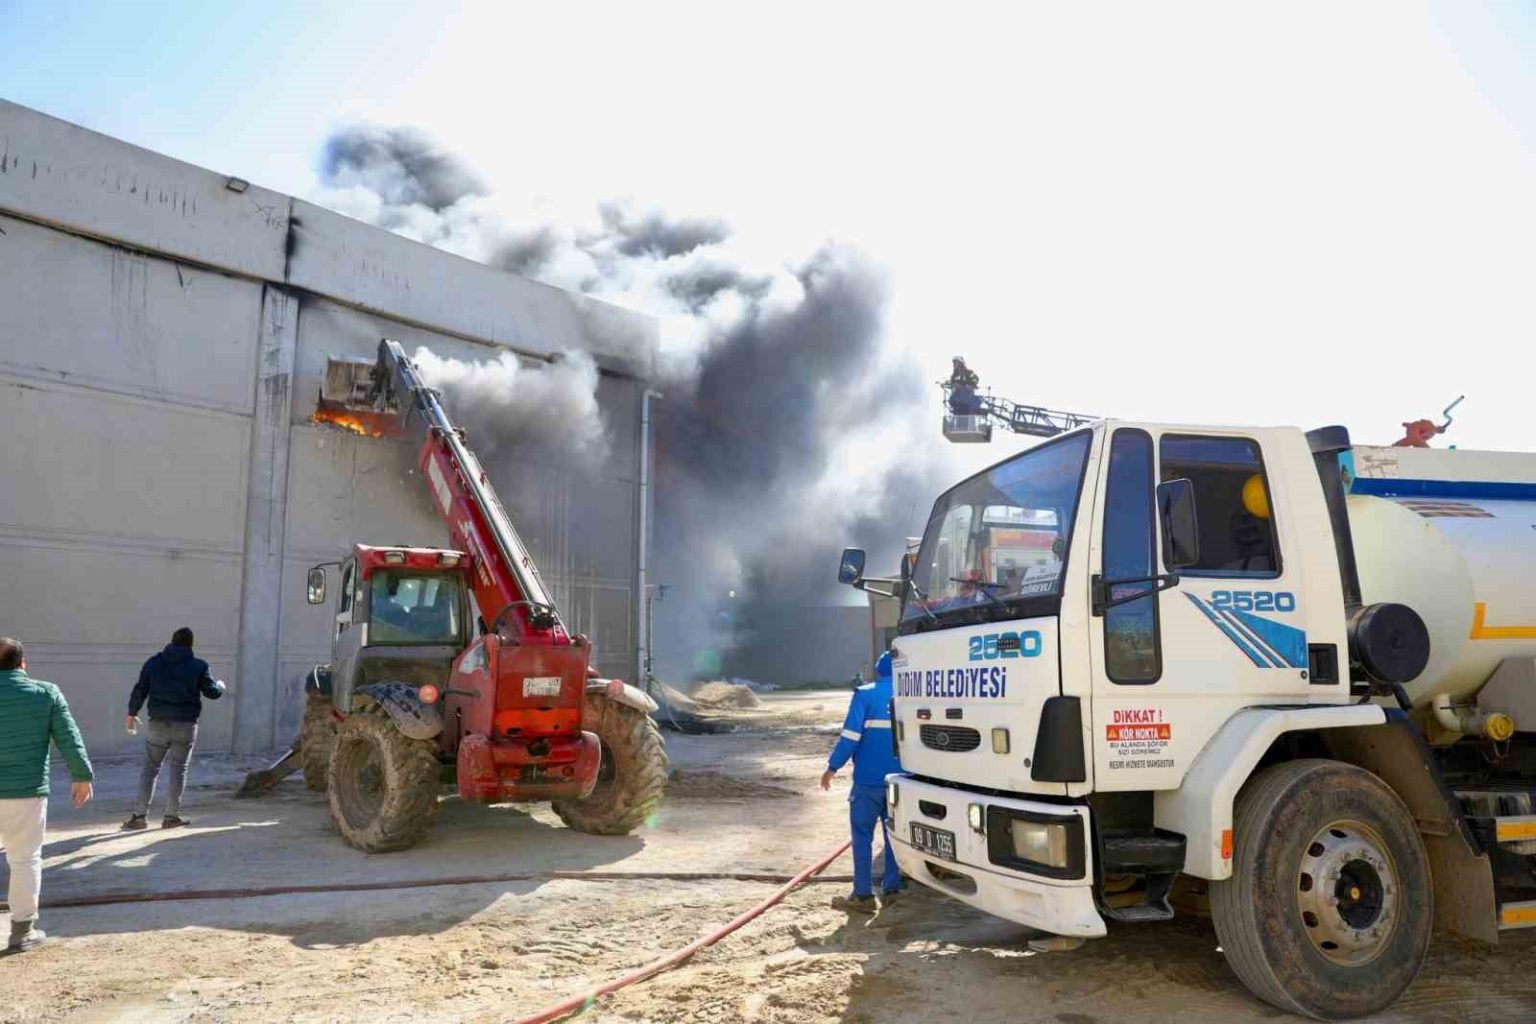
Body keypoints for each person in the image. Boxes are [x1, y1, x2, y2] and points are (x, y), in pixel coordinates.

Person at [0, 637, 94, 953]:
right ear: (22, 664)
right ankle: (22, 931)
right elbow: (68, 735)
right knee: (25, 860)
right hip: (26, 793)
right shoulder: (46, 693)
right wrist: (81, 774)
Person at [820, 649, 902, 913]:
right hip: (902, 782)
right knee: (895, 837)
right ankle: (892, 890)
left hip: (868, 781)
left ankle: (863, 895)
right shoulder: (912, 694)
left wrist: (832, 767)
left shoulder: (865, 694)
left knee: (862, 835)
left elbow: (850, 738)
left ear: (878, 669)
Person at [123, 628, 225, 830]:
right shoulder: (198, 666)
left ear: (171, 642)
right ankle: (171, 817)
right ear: (191, 645)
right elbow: (212, 693)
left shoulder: (153, 663)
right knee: (178, 770)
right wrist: (221, 686)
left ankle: (139, 817)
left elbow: (140, 690)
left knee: (150, 769)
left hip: (157, 724)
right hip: (185, 726)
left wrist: (132, 713)